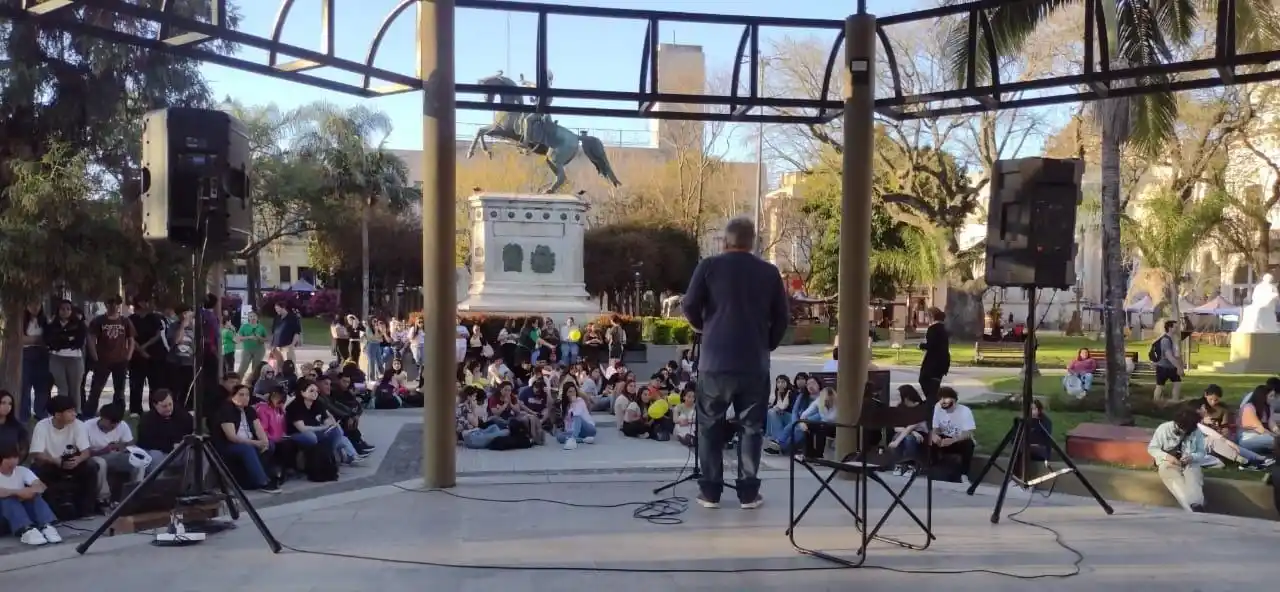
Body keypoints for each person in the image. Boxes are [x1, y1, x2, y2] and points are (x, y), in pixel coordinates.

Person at [682, 217, 790, 510]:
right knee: (752, 428)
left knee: (709, 426)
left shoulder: (708, 267)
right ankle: (748, 493)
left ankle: (710, 491)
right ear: (752, 242)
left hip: (715, 362)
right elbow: (782, 317)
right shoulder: (769, 273)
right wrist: (767, 343)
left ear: (725, 241)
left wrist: (703, 328)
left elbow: (689, 305)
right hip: (754, 362)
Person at [27, 396, 97, 518]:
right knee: (38, 471)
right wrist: (55, 461)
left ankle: (86, 510)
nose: (74, 414)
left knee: (91, 467)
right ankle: (47, 512)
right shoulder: (42, 426)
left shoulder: (78, 425)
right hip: (50, 462)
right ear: (58, 414)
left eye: (74, 410)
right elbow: (36, 453)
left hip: (72, 461)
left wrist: (78, 459)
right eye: (70, 411)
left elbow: (86, 451)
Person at [213, 385, 282, 493]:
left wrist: (264, 441)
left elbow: (259, 429)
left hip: (249, 441)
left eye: (247, 395)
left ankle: (259, 476)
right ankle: (263, 482)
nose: (245, 397)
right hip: (229, 445)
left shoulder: (249, 410)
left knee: (271, 445)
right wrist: (255, 443)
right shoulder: (226, 409)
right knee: (247, 449)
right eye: (241, 395)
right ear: (232, 396)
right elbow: (232, 437)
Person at [0, 443, 64, 546]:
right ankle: (25, 530)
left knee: (34, 496)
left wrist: (31, 491)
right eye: (8, 458)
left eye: (15, 457)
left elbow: (41, 486)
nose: (13, 462)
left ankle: (46, 526)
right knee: (8, 499)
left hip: (21, 512)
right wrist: (18, 492)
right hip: (3, 516)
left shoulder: (22, 470)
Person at [1148, 406, 1207, 512]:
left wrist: (1192, 457)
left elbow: (1201, 452)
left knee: (1194, 477)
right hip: (1168, 462)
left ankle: (1197, 504)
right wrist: (1167, 457)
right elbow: (1152, 448)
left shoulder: (1196, 431)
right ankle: (1191, 507)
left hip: (1189, 462)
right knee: (1175, 481)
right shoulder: (1164, 429)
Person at [86, 295, 137, 418]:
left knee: (119, 391)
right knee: (96, 389)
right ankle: (89, 414)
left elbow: (131, 340)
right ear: (106, 304)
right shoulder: (99, 321)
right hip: (103, 360)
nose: (113, 305)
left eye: (116, 303)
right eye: (111, 303)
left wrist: (128, 357)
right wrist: (95, 357)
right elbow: (91, 339)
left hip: (120, 360)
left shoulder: (125, 321)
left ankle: (118, 414)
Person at [135, 389, 194, 471]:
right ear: (155, 405)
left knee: (197, 453)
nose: (168, 408)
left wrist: (181, 443)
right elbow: (145, 442)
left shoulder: (182, 415)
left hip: (180, 450)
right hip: (161, 453)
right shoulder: (147, 421)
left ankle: (195, 480)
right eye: (164, 406)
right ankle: (159, 482)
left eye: (170, 404)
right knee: (155, 456)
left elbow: (191, 430)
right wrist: (171, 445)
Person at [929, 387, 976, 483]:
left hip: (958, 440)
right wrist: (935, 435)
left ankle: (964, 474)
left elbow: (968, 433)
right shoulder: (938, 407)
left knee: (968, 444)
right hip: (944, 439)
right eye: (940, 399)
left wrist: (952, 440)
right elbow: (936, 428)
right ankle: (933, 470)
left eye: (945, 398)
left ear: (953, 399)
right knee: (931, 440)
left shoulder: (965, 411)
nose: (942, 401)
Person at [918, 308, 950, 404]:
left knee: (924, 380)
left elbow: (932, 345)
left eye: (927, 316)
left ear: (931, 317)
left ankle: (932, 402)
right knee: (935, 384)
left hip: (933, 361)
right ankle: (934, 401)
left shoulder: (933, 329)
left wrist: (921, 345)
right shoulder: (944, 328)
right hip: (943, 360)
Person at [1152, 320, 1183, 402]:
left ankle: (1175, 401)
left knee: (1177, 383)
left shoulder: (1174, 339)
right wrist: (1179, 367)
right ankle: (1155, 403)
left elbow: (1177, 355)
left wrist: (1180, 366)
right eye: (1175, 327)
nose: (1177, 328)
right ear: (1170, 328)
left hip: (1172, 367)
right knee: (1160, 386)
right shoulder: (1165, 340)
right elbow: (1169, 356)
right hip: (1163, 367)